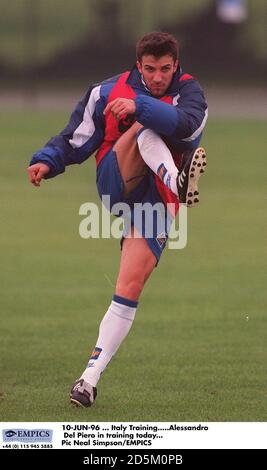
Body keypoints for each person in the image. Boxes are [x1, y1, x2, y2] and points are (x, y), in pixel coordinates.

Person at [27, 32, 208, 408]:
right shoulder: (106, 92)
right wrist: (47, 159)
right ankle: (178, 177)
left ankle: (88, 379)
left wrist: (138, 104)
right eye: (150, 69)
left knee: (130, 287)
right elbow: (75, 138)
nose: (158, 77)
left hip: (157, 201)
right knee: (144, 128)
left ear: (176, 65)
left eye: (165, 69)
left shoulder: (192, 93)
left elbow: (189, 126)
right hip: (117, 179)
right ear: (138, 65)